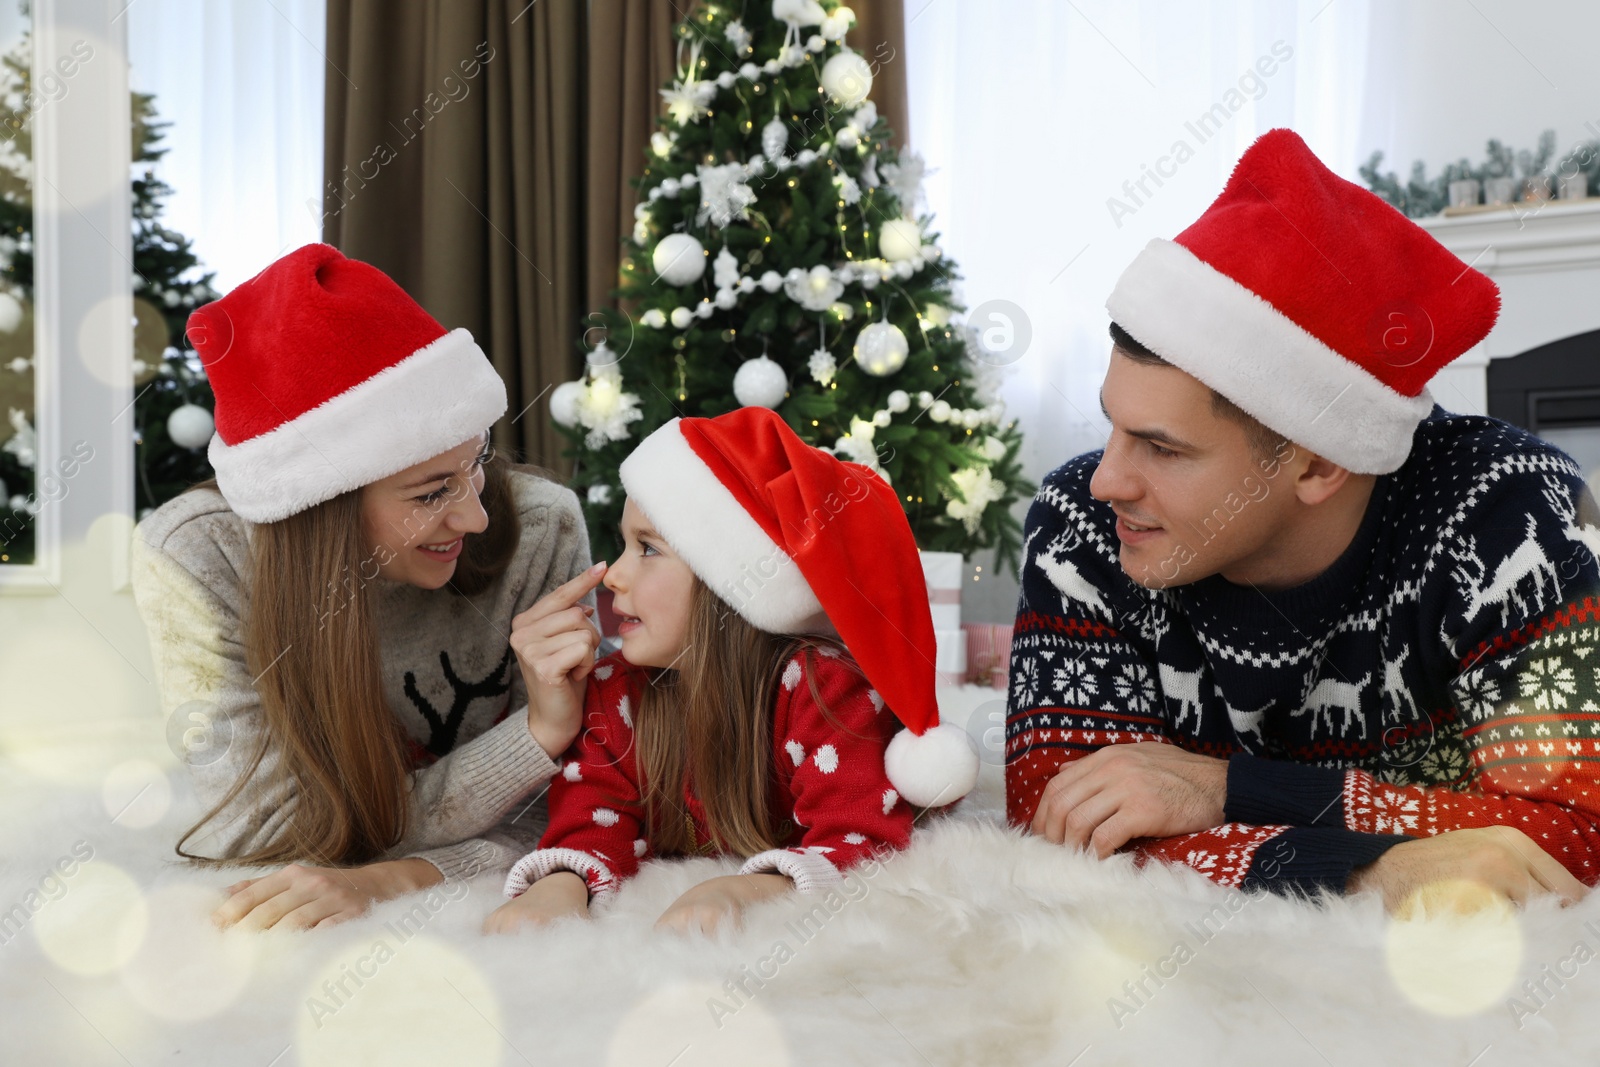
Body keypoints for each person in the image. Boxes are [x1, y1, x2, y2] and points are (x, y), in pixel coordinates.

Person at [1007, 128, 1600, 912]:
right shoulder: (1082, 526)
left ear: (1320, 463)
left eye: (1161, 447)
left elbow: (1573, 833)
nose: (1108, 478)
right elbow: (1062, 821)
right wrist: (1368, 869)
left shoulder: (1501, 513)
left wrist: (1229, 790)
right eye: (1111, 425)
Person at [131, 243, 595, 931]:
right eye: (432, 491)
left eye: (477, 461)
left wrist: (395, 879)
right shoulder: (196, 557)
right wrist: (531, 738)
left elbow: (586, 805)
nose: (476, 514)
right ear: (325, 502)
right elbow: (255, 835)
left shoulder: (542, 530)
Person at [483, 407, 979, 935]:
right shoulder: (615, 690)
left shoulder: (822, 689)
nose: (614, 576)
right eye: (624, 544)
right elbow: (591, 819)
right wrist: (560, 887)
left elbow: (863, 842)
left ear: (727, 586)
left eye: (648, 548)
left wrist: (742, 889)